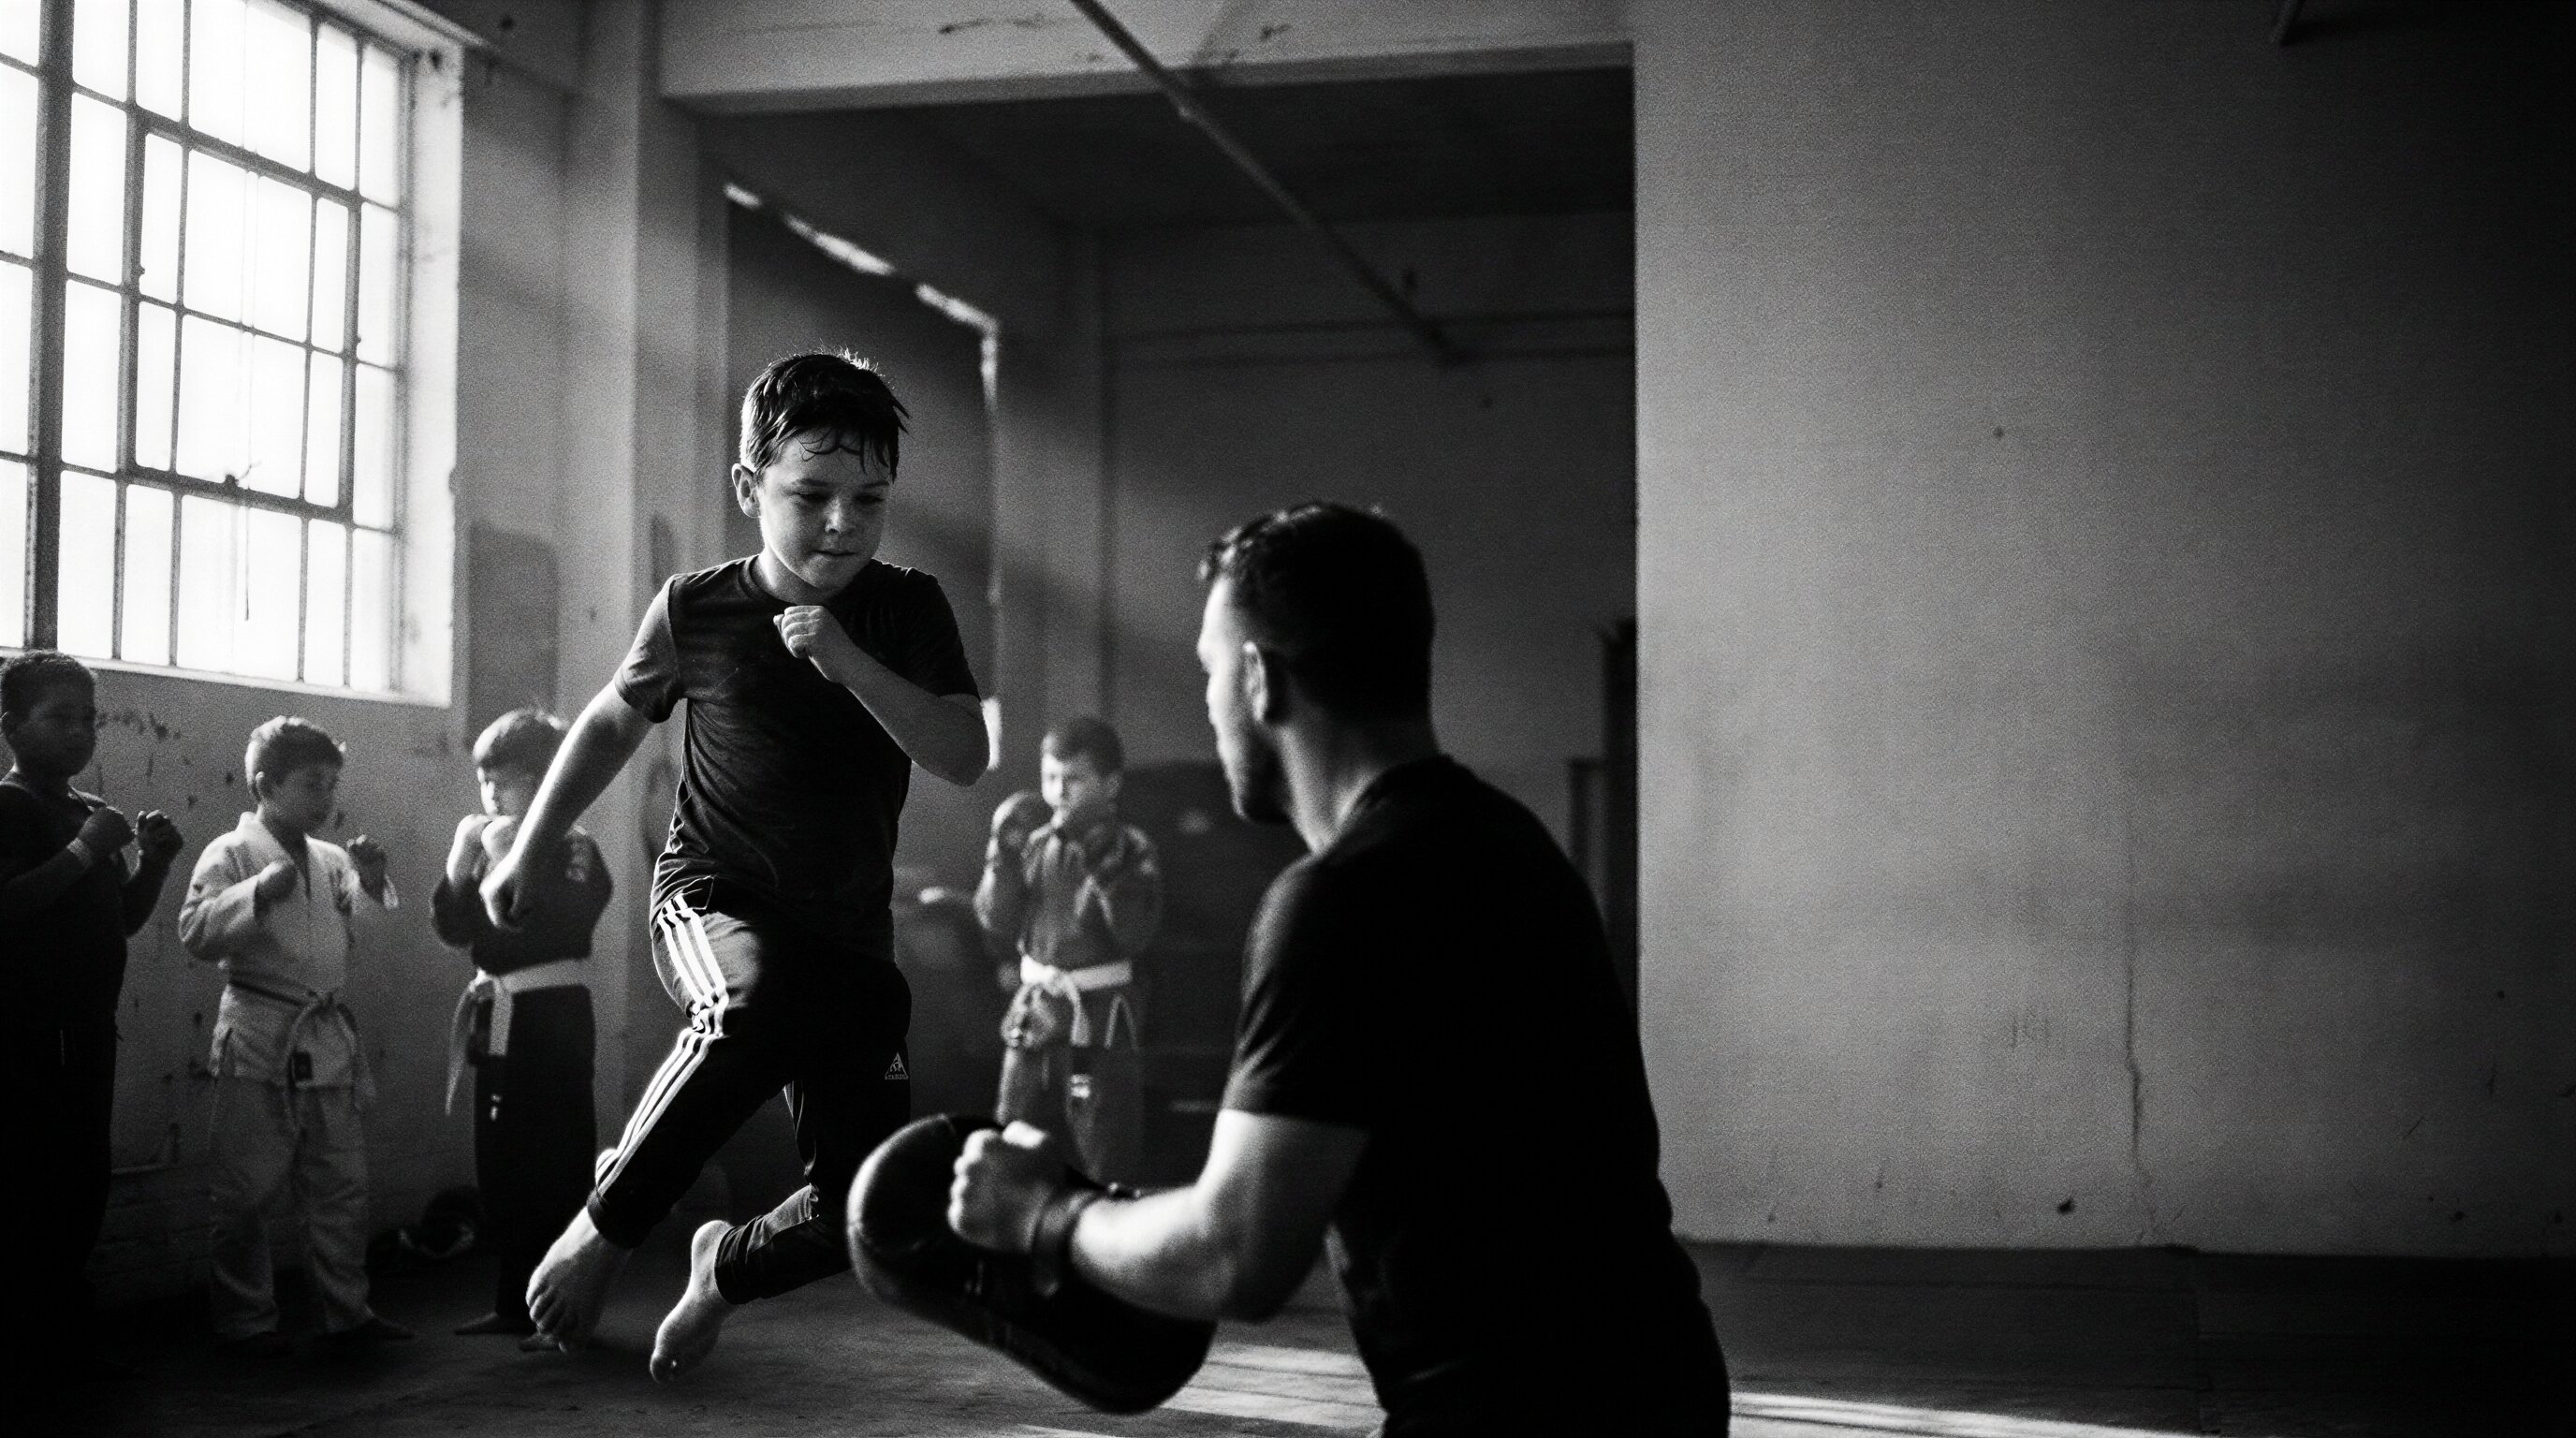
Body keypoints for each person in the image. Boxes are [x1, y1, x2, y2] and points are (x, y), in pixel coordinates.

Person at [950, 503, 1731, 1435]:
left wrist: (1045, 1215)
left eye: (1209, 672)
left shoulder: (1337, 900)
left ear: (1258, 678)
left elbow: (1235, 1256)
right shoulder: (1510, 842)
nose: (1210, 706)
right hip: (1663, 1387)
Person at [483, 350, 988, 1381]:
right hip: (714, 897)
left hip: (849, 934)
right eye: (812, 496)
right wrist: (528, 845)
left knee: (866, 1208)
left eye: (869, 500)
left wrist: (847, 661)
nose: (842, 523)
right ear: (749, 489)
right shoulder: (695, 609)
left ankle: (721, 1269)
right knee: (751, 1007)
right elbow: (609, 724)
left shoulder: (907, 609)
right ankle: (603, 1225)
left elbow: (963, 754)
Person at [178, 716, 413, 1353]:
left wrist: (370, 882)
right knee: (245, 1191)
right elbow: (196, 932)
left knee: (341, 1186)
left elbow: (364, 943)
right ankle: (246, 1320)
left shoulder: (333, 860)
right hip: (258, 1031)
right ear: (265, 785)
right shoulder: (230, 853)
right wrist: (257, 892)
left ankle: (347, 1313)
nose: (327, 798)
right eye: (312, 784)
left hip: (326, 1034)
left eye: (332, 785)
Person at [0, 652, 185, 1388]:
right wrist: (86, 849)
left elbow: (123, 920)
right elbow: (7, 905)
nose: (80, 732)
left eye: (90, 718)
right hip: (25, 1034)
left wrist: (156, 864)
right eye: (60, 718)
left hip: (85, 1030)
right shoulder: (12, 806)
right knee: (31, 1187)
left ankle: (63, 1345)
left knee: (79, 1185)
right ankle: (28, 1353)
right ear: (13, 727)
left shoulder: (88, 810)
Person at [432, 708, 612, 1344]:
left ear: (545, 781)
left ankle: (562, 1307)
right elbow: (455, 931)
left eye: (503, 781)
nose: (490, 794)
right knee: (502, 1161)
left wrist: (511, 855)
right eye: (484, 781)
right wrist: (459, 866)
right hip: (496, 1012)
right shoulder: (480, 841)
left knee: (555, 1158)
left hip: (552, 1016)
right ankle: (514, 1300)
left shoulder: (574, 846)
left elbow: (565, 919)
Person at [974, 715, 1163, 1182]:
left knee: (1107, 1161)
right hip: (1034, 1014)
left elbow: (1136, 936)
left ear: (1110, 784)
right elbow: (996, 922)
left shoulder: (1132, 848)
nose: (1059, 791)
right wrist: (1001, 858)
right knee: (1010, 1146)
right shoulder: (1033, 845)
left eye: (1073, 779)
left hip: (1099, 1021)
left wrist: (1106, 870)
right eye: (1050, 777)